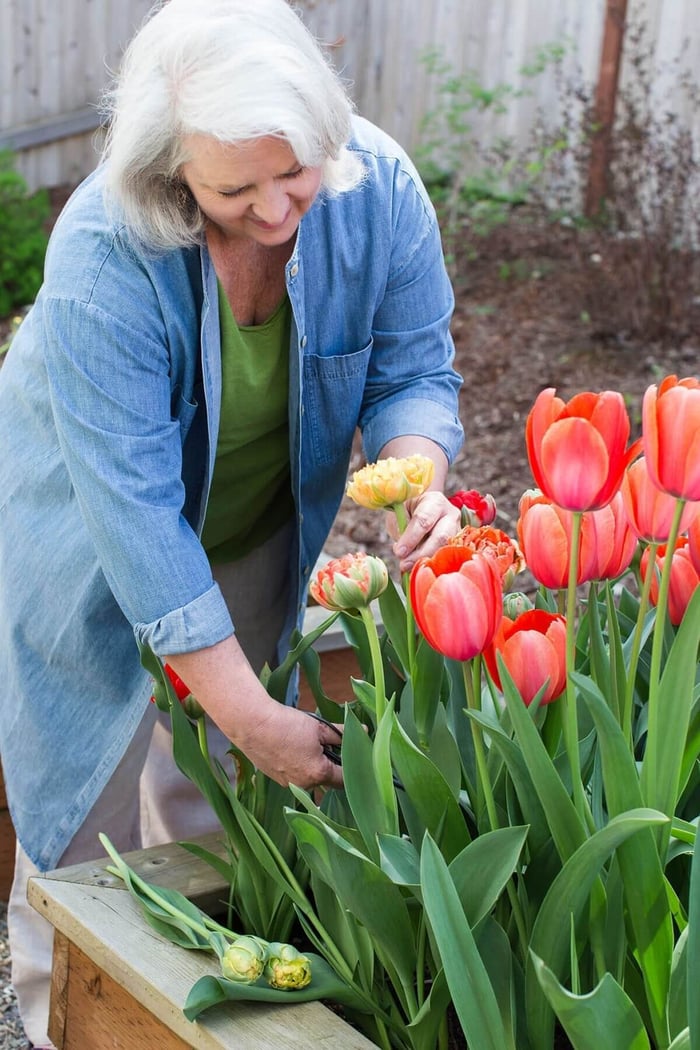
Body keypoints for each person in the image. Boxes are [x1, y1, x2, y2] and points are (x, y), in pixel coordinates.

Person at [0, 0, 464, 1044]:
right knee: (77, 811)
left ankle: (184, 1009)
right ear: (172, 169)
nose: (274, 209)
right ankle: (57, 1015)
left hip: (255, 518)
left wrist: (412, 474)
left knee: (217, 801)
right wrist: (253, 716)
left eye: (292, 171)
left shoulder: (375, 189)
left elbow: (417, 373)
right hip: (83, 534)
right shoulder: (103, 258)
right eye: (232, 188)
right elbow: (136, 522)